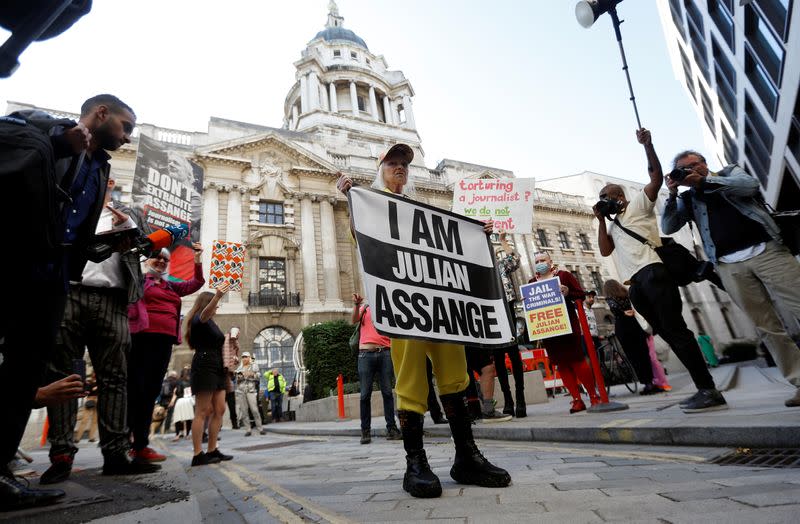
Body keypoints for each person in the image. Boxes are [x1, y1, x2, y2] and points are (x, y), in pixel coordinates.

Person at [337, 143, 510, 499]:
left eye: (404, 164)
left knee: (454, 378)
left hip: (441, 311)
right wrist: (351, 200)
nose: (399, 168)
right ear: (380, 170)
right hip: (405, 309)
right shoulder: (372, 202)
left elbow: (451, 247)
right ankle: (415, 463)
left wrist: (478, 236)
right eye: (392, 163)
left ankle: (467, 456)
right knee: (412, 382)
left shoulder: (421, 210)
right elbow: (360, 237)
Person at [1, 94, 136, 511]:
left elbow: (73, 230)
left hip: (56, 277)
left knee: (24, 371)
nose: (128, 137)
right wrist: (59, 141)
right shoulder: (46, 126)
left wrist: (112, 243)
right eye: (125, 127)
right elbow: (8, 138)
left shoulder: (101, 168)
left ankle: (0, 472)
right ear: (100, 114)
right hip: (17, 263)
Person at [594, 129, 727, 413]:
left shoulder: (639, 205)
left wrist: (648, 146)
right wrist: (601, 220)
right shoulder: (614, 224)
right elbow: (605, 251)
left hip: (655, 273)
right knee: (665, 333)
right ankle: (702, 388)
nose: (604, 199)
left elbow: (655, 177)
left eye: (606, 196)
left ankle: (708, 389)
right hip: (636, 286)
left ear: (619, 196)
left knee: (677, 331)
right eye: (601, 197)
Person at [41, 174, 162, 485]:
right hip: (70, 293)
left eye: (102, 180)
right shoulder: (69, 207)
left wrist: (133, 236)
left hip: (114, 299)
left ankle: (116, 454)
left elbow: (152, 250)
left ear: (109, 184)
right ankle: (61, 455)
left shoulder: (130, 213)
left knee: (115, 378)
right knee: (63, 376)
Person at [662, 151, 800, 407]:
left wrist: (704, 182)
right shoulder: (688, 198)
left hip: (767, 250)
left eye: (695, 165)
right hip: (728, 265)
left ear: (704, 163)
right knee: (767, 326)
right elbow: (668, 226)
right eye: (683, 170)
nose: (692, 170)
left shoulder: (728, 174)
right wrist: (671, 193)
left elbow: (749, 186)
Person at [127, 242, 205, 462]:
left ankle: (141, 444)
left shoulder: (171, 286)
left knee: (150, 391)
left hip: (164, 341)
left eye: (165, 259)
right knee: (136, 389)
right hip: (141, 338)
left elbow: (197, 283)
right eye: (156, 257)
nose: (161, 261)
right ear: (146, 259)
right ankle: (127, 439)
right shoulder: (139, 280)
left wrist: (197, 259)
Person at [532, 252, 601, 413]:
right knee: (561, 364)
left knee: (578, 361)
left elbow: (580, 295)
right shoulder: (531, 283)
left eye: (543, 260)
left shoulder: (564, 276)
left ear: (550, 262)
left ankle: (593, 395)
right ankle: (576, 399)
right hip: (549, 329)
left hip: (568, 327)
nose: (540, 263)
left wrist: (568, 291)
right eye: (537, 261)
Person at [185, 284, 234, 466]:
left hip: (217, 366)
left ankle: (212, 449)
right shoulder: (199, 319)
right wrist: (218, 296)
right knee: (203, 411)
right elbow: (205, 314)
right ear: (206, 304)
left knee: (219, 409)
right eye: (213, 304)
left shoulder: (212, 323)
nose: (217, 307)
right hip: (205, 365)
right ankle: (198, 454)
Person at [352, 293, 402, 444]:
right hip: (365, 355)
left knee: (387, 392)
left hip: (385, 352)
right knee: (364, 395)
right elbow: (354, 320)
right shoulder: (365, 308)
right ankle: (365, 431)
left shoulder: (387, 307)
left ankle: (391, 429)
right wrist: (356, 305)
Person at [603, 280, 665, 395]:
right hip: (636, 325)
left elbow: (615, 309)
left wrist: (622, 313)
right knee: (644, 354)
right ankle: (652, 382)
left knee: (634, 357)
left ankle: (647, 384)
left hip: (623, 328)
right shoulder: (627, 294)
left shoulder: (610, 299)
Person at [491, 230, 527, 418]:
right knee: (498, 357)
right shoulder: (478, 269)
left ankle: (520, 398)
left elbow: (515, 259)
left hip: (508, 308)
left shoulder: (500, 265)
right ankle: (508, 400)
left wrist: (504, 241)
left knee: (514, 354)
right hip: (492, 313)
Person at [465, 348, 511, 422]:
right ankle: (459, 413)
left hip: (472, 341)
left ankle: (488, 410)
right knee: (462, 371)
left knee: (487, 367)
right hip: (452, 343)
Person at [235, 353, 266, 436]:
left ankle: (260, 428)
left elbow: (259, 375)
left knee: (254, 410)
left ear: (249, 358)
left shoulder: (254, 366)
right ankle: (248, 430)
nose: (244, 358)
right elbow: (236, 379)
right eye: (243, 357)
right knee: (244, 411)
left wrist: (252, 374)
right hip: (241, 391)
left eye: (246, 357)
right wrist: (240, 377)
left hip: (251, 390)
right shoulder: (240, 367)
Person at [74, 375, 98, 443]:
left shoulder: (103, 382)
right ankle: (77, 438)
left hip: (99, 400)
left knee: (95, 420)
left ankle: (92, 437)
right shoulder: (89, 382)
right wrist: (93, 388)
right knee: (84, 419)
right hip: (90, 399)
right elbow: (86, 390)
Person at [171, 368, 194, 441]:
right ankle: (187, 434)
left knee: (178, 418)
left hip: (180, 401)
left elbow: (177, 392)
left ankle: (177, 434)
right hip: (189, 401)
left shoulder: (178, 381)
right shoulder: (191, 382)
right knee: (188, 419)